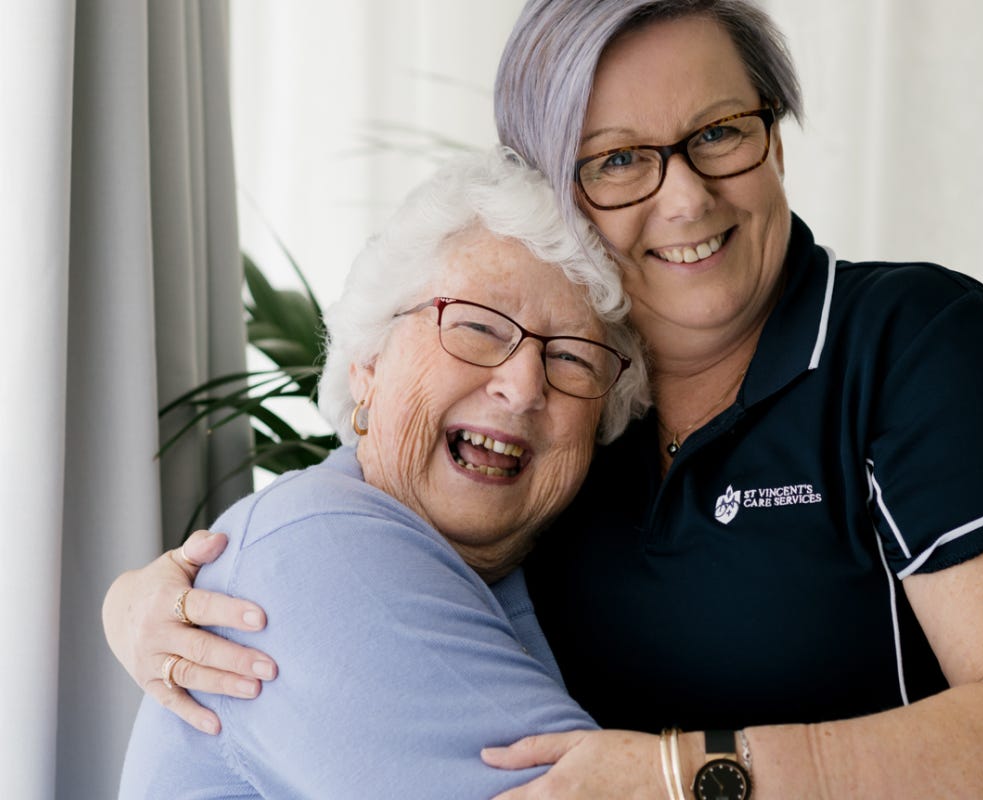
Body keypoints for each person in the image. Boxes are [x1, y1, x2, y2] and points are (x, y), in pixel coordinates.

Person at [105, 1, 983, 797]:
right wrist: (153, 597)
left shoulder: (913, 339)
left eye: (718, 132)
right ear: (556, 191)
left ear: (774, 139)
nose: (684, 197)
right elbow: (356, 511)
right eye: (619, 158)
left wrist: (693, 770)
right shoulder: (565, 429)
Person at [116, 146, 649, 798]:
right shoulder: (319, 547)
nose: (524, 385)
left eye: (571, 358)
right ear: (366, 365)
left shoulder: (529, 576)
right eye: (478, 327)